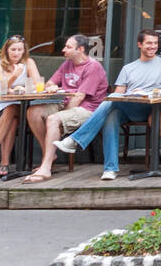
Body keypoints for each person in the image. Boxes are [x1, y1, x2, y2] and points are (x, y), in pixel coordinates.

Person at [54, 29, 161, 180]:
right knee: (111, 115)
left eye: (155, 43)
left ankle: (75, 140)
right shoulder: (128, 68)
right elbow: (118, 94)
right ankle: (110, 169)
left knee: (111, 101)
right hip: (128, 106)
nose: (153, 46)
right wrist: (131, 94)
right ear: (139, 44)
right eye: (149, 43)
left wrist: (145, 92)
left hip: (151, 108)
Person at [22, 34, 109, 183]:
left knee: (53, 119)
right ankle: (49, 154)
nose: (63, 50)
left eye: (68, 47)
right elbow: (50, 83)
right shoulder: (67, 64)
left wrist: (60, 116)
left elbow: (79, 97)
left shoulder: (93, 66)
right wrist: (52, 87)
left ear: (80, 49)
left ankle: (46, 167)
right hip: (66, 103)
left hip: (88, 109)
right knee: (33, 112)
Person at [0, 35, 43, 178]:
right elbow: (0, 88)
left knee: (12, 111)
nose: (16, 53)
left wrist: (20, 88)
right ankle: (3, 162)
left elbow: (38, 83)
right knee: (11, 113)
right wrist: (14, 76)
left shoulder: (29, 62)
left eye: (19, 50)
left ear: (24, 51)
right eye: (13, 49)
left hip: (18, 108)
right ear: (6, 50)